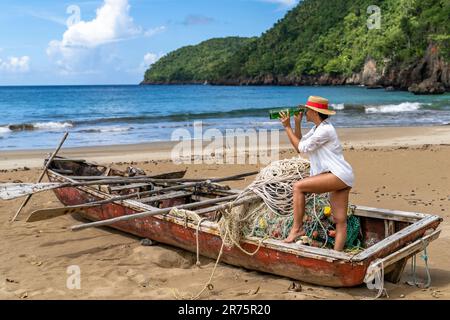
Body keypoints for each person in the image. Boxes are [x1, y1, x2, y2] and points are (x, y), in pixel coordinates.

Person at [279, 96, 354, 251]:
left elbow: (300, 148)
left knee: (298, 187)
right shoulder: (318, 129)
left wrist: (287, 127)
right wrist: (297, 124)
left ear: (314, 111)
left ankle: (297, 229)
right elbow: (299, 145)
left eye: (307, 110)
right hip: (341, 176)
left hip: (337, 174)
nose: (304, 112)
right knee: (340, 220)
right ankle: (337, 255)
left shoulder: (325, 130)